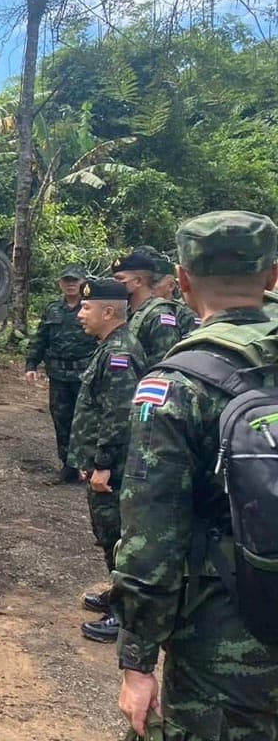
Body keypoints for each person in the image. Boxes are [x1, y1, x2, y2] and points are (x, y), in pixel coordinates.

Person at [115, 211, 278, 741]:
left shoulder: (177, 384)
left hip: (227, 628)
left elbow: (150, 539)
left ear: (182, 281)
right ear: (272, 275)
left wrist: (137, 662)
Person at [67, 278, 146, 644]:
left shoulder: (120, 353)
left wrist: (102, 463)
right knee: (107, 535)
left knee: (117, 538)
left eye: (87, 308)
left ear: (109, 311)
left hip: (113, 469)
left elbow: (118, 415)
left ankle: (124, 616)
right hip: (106, 464)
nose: (81, 314)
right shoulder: (109, 346)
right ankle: (118, 597)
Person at [25, 264, 97, 484]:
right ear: (60, 283)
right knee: (61, 419)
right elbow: (41, 338)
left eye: (74, 280)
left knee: (85, 420)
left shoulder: (91, 308)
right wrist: (31, 363)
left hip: (84, 375)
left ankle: (91, 466)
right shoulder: (53, 309)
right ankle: (68, 466)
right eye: (66, 280)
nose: (70, 284)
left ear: (83, 281)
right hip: (58, 376)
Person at [114, 252, 184, 369]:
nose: (114, 284)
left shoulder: (159, 315)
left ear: (138, 281)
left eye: (120, 279)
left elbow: (166, 361)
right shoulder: (127, 312)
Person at [134, 245, 199, 337]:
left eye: (153, 282)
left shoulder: (186, 316)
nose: (146, 287)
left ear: (171, 286)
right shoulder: (132, 310)